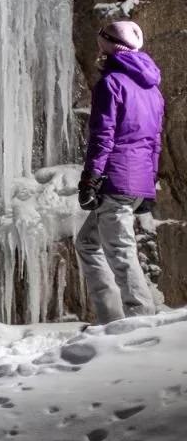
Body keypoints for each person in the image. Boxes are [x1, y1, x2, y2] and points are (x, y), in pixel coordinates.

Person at [76, 20, 163, 324]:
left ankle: (140, 322)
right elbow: (154, 141)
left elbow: (103, 136)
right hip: (136, 183)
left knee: (121, 252)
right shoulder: (152, 89)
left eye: (101, 36)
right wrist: (149, 185)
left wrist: (90, 178)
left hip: (114, 180)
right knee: (87, 243)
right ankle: (111, 318)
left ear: (110, 44)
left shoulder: (111, 83)